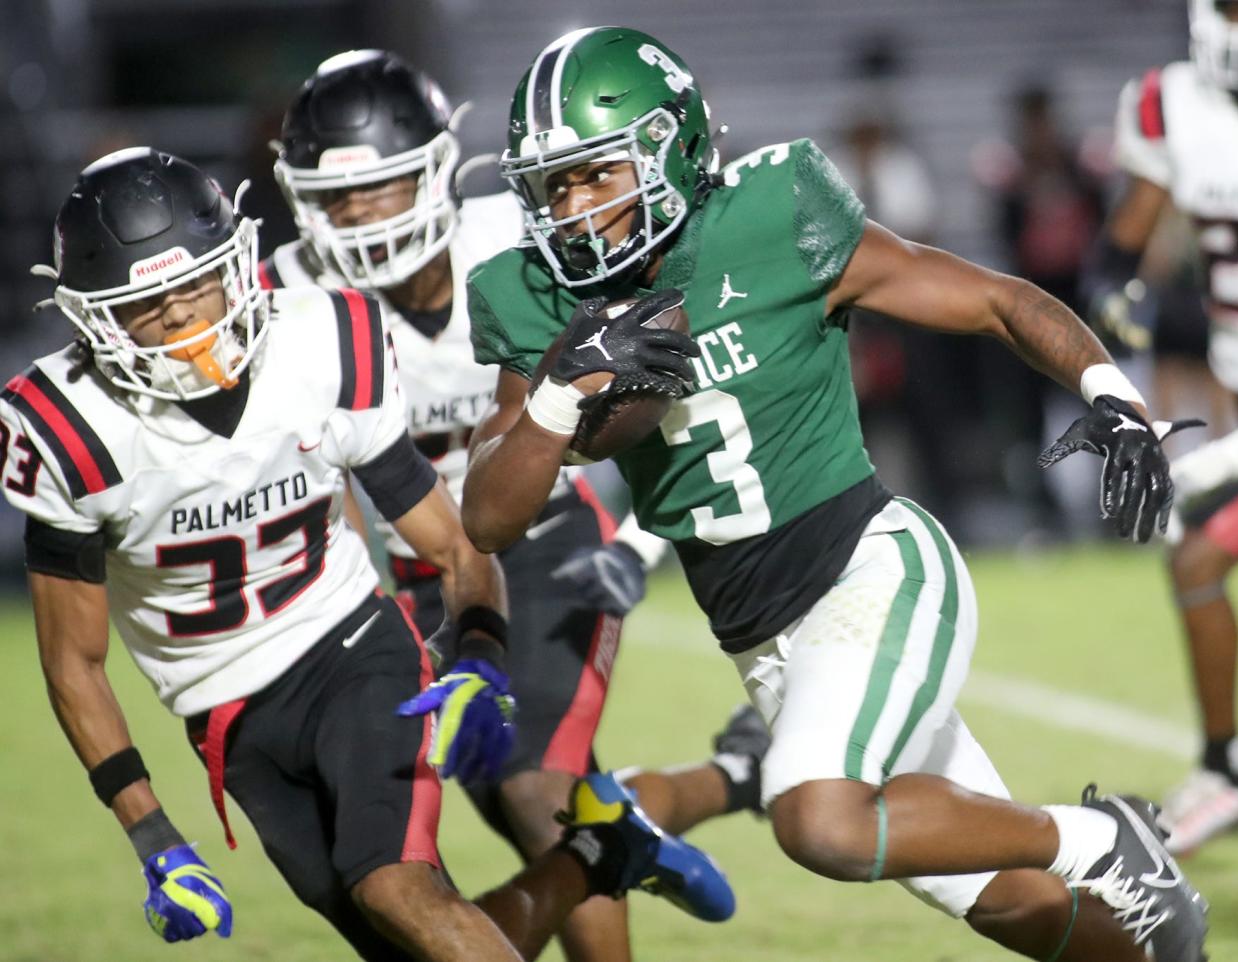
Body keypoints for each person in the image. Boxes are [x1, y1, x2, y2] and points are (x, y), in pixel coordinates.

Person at [461, 25, 1209, 962]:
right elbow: (488, 514)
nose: (572, 210)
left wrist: (1112, 393)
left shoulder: (773, 218)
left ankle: (1104, 839)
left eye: (596, 174)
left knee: (819, 819)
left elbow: (991, 298)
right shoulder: (534, 295)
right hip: (758, 637)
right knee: (1009, 905)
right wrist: (560, 393)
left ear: (672, 147)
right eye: (553, 185)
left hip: (868, 568)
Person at [1, 146, 734, 961]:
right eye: (151, 305)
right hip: (227, 714)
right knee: (407, 940)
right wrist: (153, 836)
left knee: (395, 887)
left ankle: (597, 848)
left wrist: (479, 654)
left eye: (197, 284)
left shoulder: (318, 340)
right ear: (94, 318)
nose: (186, 321)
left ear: (236, 264)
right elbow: (75, 664)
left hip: (351, 646)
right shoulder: (66, 429)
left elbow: (454, 540)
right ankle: (598, 852)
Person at [262, 48, 768, 962]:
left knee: (541, 793)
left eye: (380, 188)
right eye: (336, 198)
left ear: (435, 173)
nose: (357, 216)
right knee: (493, 821)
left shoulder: (527, 234)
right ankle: (695, 795)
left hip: (539, 545)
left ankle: (667, 807)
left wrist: (647, 536)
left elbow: (667, 352)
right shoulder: (281, 298)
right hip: (398, 581)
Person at [1081, 0, 1238, 854]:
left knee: (1194, 539)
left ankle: (1224, 767)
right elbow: (1124, 238)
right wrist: (1115, 292)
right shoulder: (1170, 104)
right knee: (1194, 552)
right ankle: (1225, 765)